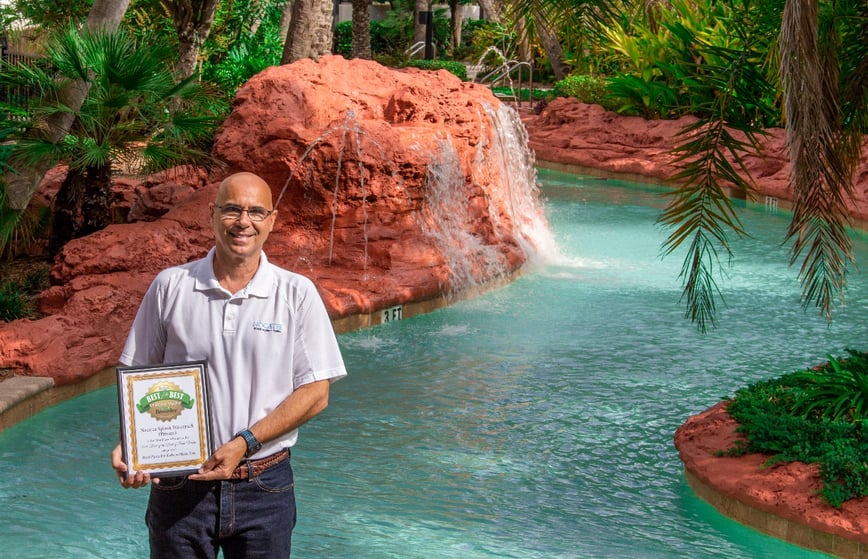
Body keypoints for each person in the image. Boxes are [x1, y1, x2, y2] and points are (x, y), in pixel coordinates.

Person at [111, 171, 347, 558]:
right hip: (179, 486)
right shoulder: (171, 286)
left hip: (263, 486)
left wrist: (245, 443)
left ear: (272, 220)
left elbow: (316, 393)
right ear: (211, 214)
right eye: (232, 209)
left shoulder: (296, 293)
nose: (243, 222)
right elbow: (136, 372)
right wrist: (132, 442)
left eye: (256, 211)